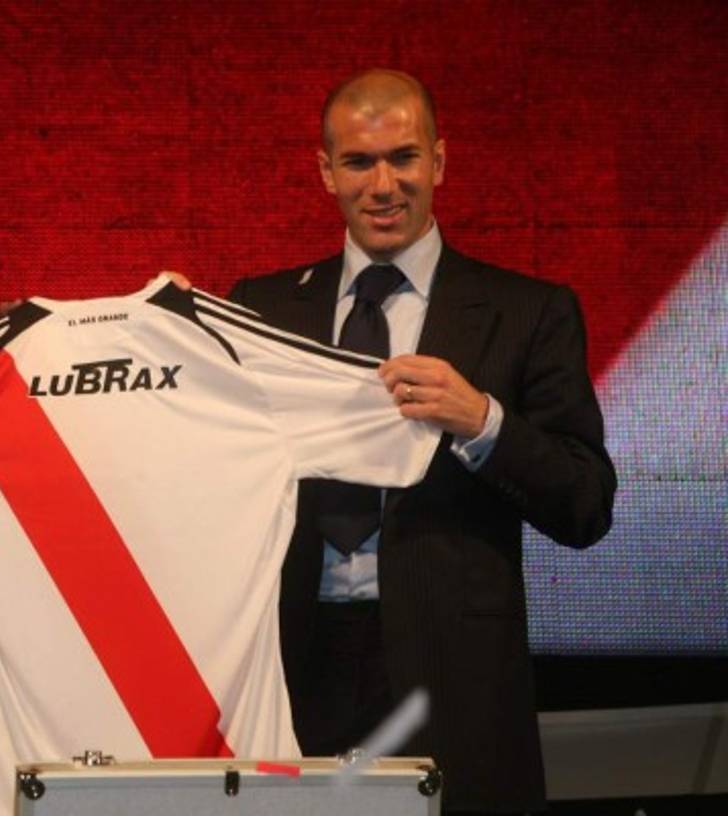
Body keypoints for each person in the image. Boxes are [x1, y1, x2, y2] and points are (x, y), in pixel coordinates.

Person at [228, 69, 616, 814]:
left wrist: (484, 423)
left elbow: (587, 504)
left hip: (456, 677)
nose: (383, 185)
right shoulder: (261, 309)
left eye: (403, 158)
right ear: (325, 171)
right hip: (291, 667)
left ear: (439, 162)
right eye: (359, 162)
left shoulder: (527, 311)